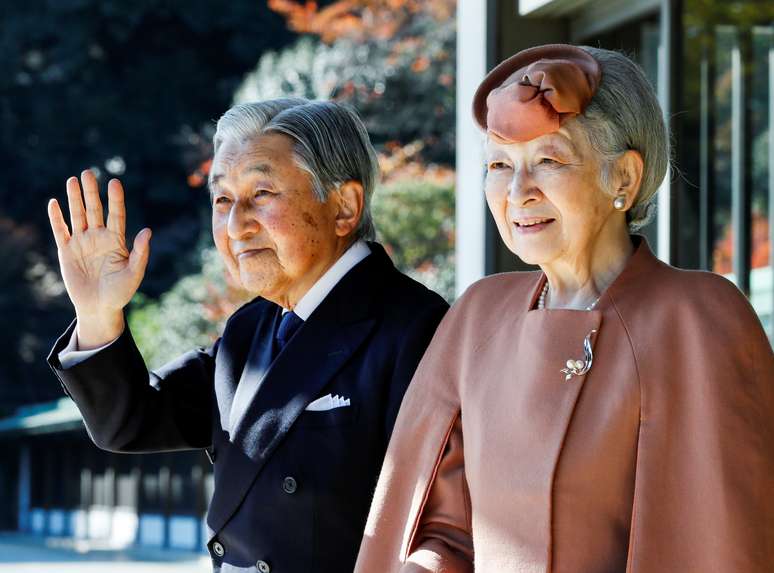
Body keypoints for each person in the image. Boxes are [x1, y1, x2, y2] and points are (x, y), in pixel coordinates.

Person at [355, 44, 774, 573]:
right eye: (499, 165)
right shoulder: (478, 316)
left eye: (548, 161)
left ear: (623, 178)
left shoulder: (696, 318)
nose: (517, 192)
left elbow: (719, 546)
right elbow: (444, 531)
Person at [45, 98, 448, 573]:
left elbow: (441, 529)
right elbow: (131, 421)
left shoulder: (417, 328)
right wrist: (96, 313)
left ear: (344, 206)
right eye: (222, 200)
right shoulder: (249, 328)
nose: (236, 225)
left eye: (262, 193)